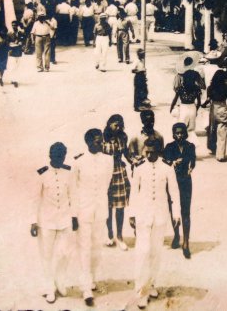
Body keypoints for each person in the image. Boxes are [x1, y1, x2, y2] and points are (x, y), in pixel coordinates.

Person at [129, 137, 181, 309]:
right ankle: (141, 292)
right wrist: (132, 214)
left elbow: (174, 191)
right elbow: (134, 192)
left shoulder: (167, 167)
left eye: (152, 152)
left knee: (156, 252)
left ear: (159, 151)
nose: (149, 155)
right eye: (146, 152)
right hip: (143, 215)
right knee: (143, 252)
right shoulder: (139, 167)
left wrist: (176, 214)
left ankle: (151, 284)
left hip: (160, 215)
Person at [31, 142, 77, 303]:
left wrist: (74, 217)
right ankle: (49, 286)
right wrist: (33, 222)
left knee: (65, 253)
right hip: (47, 221)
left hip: (65, 219)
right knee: (47, 255)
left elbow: (73, 195)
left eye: (62, 156)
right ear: (50, 156)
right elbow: (35, 199)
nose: (59, 159)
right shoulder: (41, 174)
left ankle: (60, 281)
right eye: (56, 156)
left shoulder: (68, 172)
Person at [72, 129, 113, 307]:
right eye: (97, 141)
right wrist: (74, 214)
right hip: (83, 210)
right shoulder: (79, 162)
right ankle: (86, 287)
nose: (100, 144)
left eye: (101, 141)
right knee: (84, 248)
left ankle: (92, 278)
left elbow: (107, 183)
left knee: (96, 246)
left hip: (100, 209)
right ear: (88, 142)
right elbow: (73, 190)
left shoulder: (108, 159)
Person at [163, 123, 195, 258]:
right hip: (172, 183)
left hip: (186, 182)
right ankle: (176, 235)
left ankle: (186, 242)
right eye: (177, 133)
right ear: (173, 134)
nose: (180, 135)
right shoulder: (169, 147)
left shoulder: (190, 146)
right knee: (173, 209)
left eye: (182, 133)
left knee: (186, 211)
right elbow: (164, 161)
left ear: (185, 133)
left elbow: (193, 160)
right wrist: (173, 163)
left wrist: (191, 167)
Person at [102, 114, 133, 250]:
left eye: (120, 125)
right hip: (106, 172)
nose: (118, 127)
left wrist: (133, 161)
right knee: (108, 205)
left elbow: (126, 152)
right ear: (109, 124)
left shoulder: (123, 137)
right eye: (115, 124)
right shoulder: (102, 138)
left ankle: (119, 236)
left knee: (120, 207)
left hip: (119, 171)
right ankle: (109, 234)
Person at [207, 66, 227, 162]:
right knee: (222, 131)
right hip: (222, 107)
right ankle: (220, 155)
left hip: (213, 108)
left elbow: (208, 99)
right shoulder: (226, 87)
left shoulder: (210, 87)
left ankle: (212, 148)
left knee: (212, 129)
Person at [171, 67, 203, 134]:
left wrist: (171, 108)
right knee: (191, 130)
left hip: (183, 108)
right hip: (192, 108)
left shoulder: (181, 88)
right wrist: (196, 110)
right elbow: (199, 103)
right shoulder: (196, 88)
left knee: (182, 129)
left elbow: (175, 100)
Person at [8, 21, 24, 88]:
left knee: (17, 66)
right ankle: (14, 80)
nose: (13, 26)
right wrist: (15, 43)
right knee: (12, 66)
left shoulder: (20, 33)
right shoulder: (9, 34)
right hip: (12, 52)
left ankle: (14, 79)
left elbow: (23, 40)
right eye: (12, 25)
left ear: (17, 26)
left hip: (18, 52)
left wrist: (21, 42)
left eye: (15, 25)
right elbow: (8, 43)